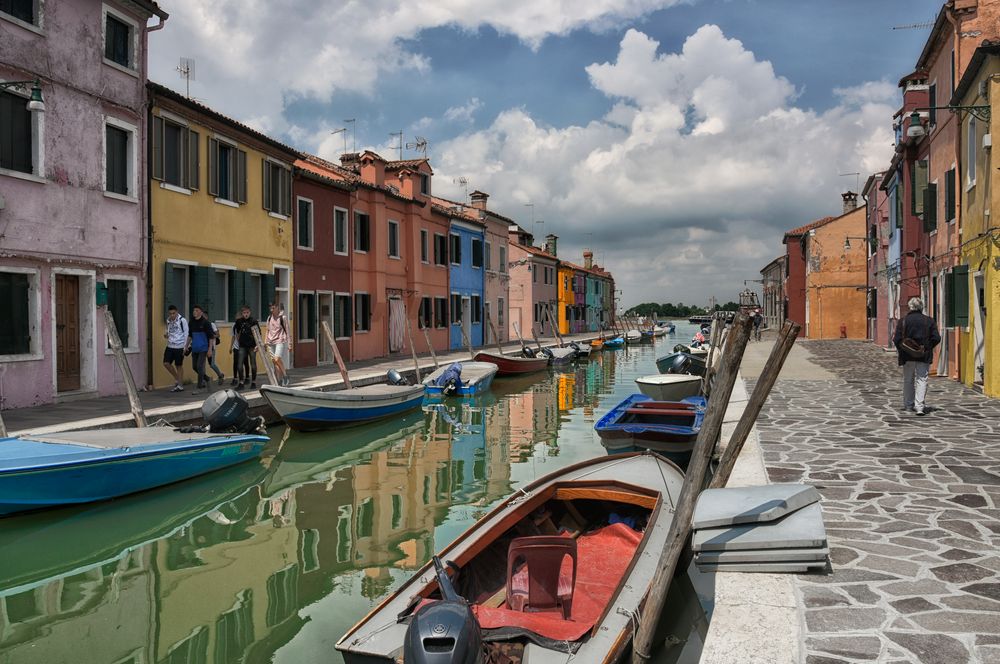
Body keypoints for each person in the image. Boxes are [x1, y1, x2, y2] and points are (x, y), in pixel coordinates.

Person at [893, 297, 941, 416]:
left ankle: (909, 405)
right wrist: (927, 347)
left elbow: (897, 339)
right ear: (921, 307)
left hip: (907, 356)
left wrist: (902, 349)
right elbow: (936, 338)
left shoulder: (903, 321)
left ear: (910, 307)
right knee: (922, 379)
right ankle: (919, 406)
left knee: (908, 380)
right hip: (923, 355)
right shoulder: (928, 321)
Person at [186, 305, 215, 394]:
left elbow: (211, 337)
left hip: (204, 348)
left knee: (199, 366)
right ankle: (207, 378)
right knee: (194, 367)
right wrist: (186, 346)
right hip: (195, 348)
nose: (194, 312)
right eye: (194, 310)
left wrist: (210, 349)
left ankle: (199, 387)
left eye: (197, 310)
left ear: (201, 312)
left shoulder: (206, 323)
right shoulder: (191, 322)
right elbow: (190, 335)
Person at [232, 305, 260, 389]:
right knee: (239, 364)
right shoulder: (239, 321)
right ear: (242, 313)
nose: (246, 314)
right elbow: (236, 332)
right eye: (244, 313)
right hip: (242, 346)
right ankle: (241, 382)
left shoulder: (254, 321)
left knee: (253, 364)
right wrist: (239, 341)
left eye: (247, 312)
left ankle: (253, 382)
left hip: (252, 346)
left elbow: (258, 333)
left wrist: (258, 345)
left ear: (250, 312)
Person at [265, 302, 291, 387]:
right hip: (270, 342)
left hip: (280, 340)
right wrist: (265, 342)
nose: (271, 310)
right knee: (275, 363)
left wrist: (289, 344)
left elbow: (287, 331)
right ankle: (278, 381)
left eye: (273, 308)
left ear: (277, 308)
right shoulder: (269, 318)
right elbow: (267, 331)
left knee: (277, 359)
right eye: (270, 308)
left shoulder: (283, 318)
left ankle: (285, 375)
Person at [163, 305, 188, 392]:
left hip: (179, 345)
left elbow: (186, 333)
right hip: (170, 345)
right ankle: (177, 378)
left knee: (179, 365)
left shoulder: (182, 320)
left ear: (177, 312)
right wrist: (166, 334)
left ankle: (180, 386)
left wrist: (185, 346)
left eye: (174, 313)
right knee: (166, 363)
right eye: (170, 313)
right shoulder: (168, 320)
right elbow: (167, 331)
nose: (172, 315)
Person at [202, 310, 226, 385]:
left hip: (211, 347)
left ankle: (220, 375)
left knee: (212, 364)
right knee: (201, 364)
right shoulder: (199, 325)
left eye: (203, 316)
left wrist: (211, 336)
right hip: (202, 347)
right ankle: (203, 381)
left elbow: (218, 335)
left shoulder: (211, 324)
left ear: (206, 317)